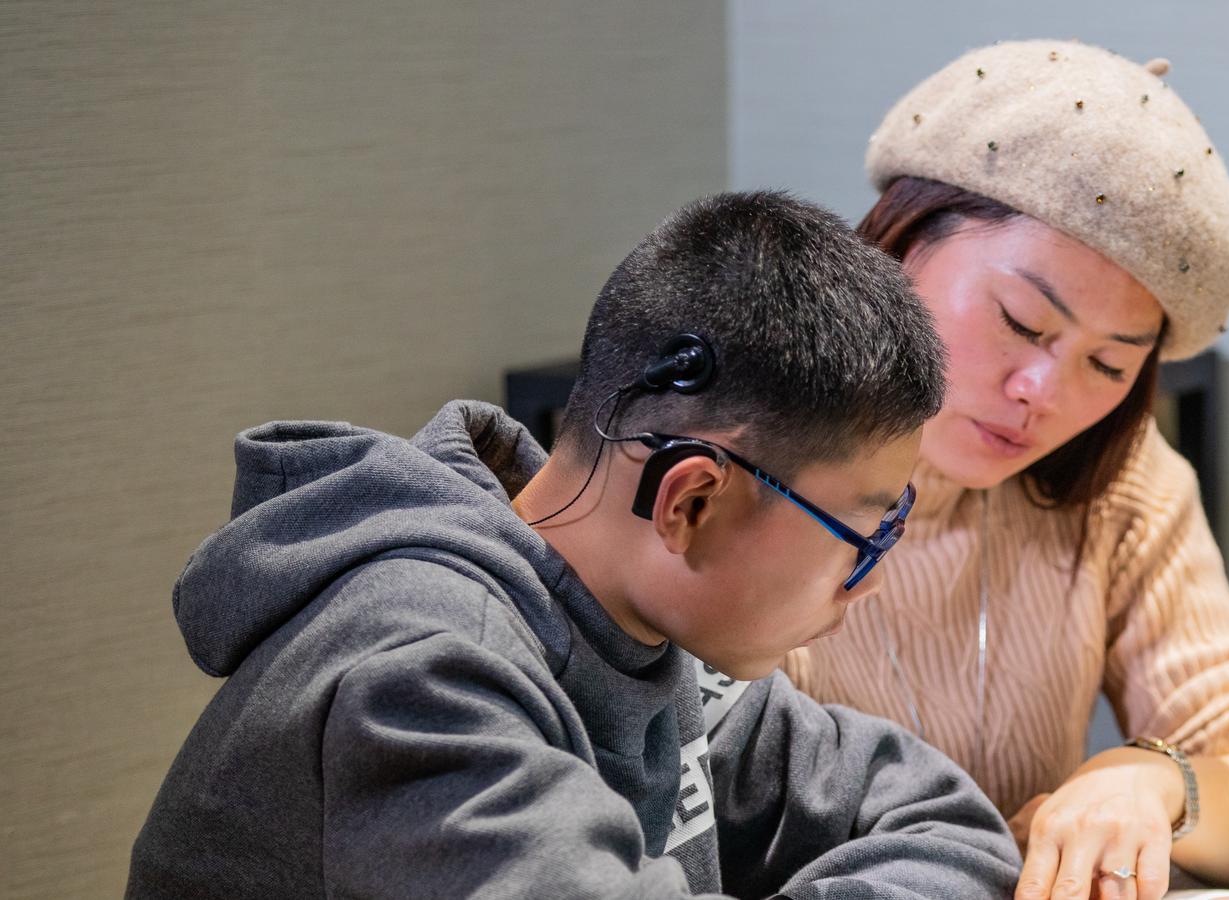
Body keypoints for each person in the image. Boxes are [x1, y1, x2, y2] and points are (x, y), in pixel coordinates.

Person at [126, 191, 1022, 899]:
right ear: (691, 503)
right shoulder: (420, 672)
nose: (863, 586)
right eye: (864, 537)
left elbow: (950, 825)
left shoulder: (644, 632)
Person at [780, 40, 1229, 900]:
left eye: (1109, 364)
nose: (1041, 395)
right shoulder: (742, 457)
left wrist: (1152, 781)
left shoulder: (1118, 481)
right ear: (896, 249)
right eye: (1021, 321)